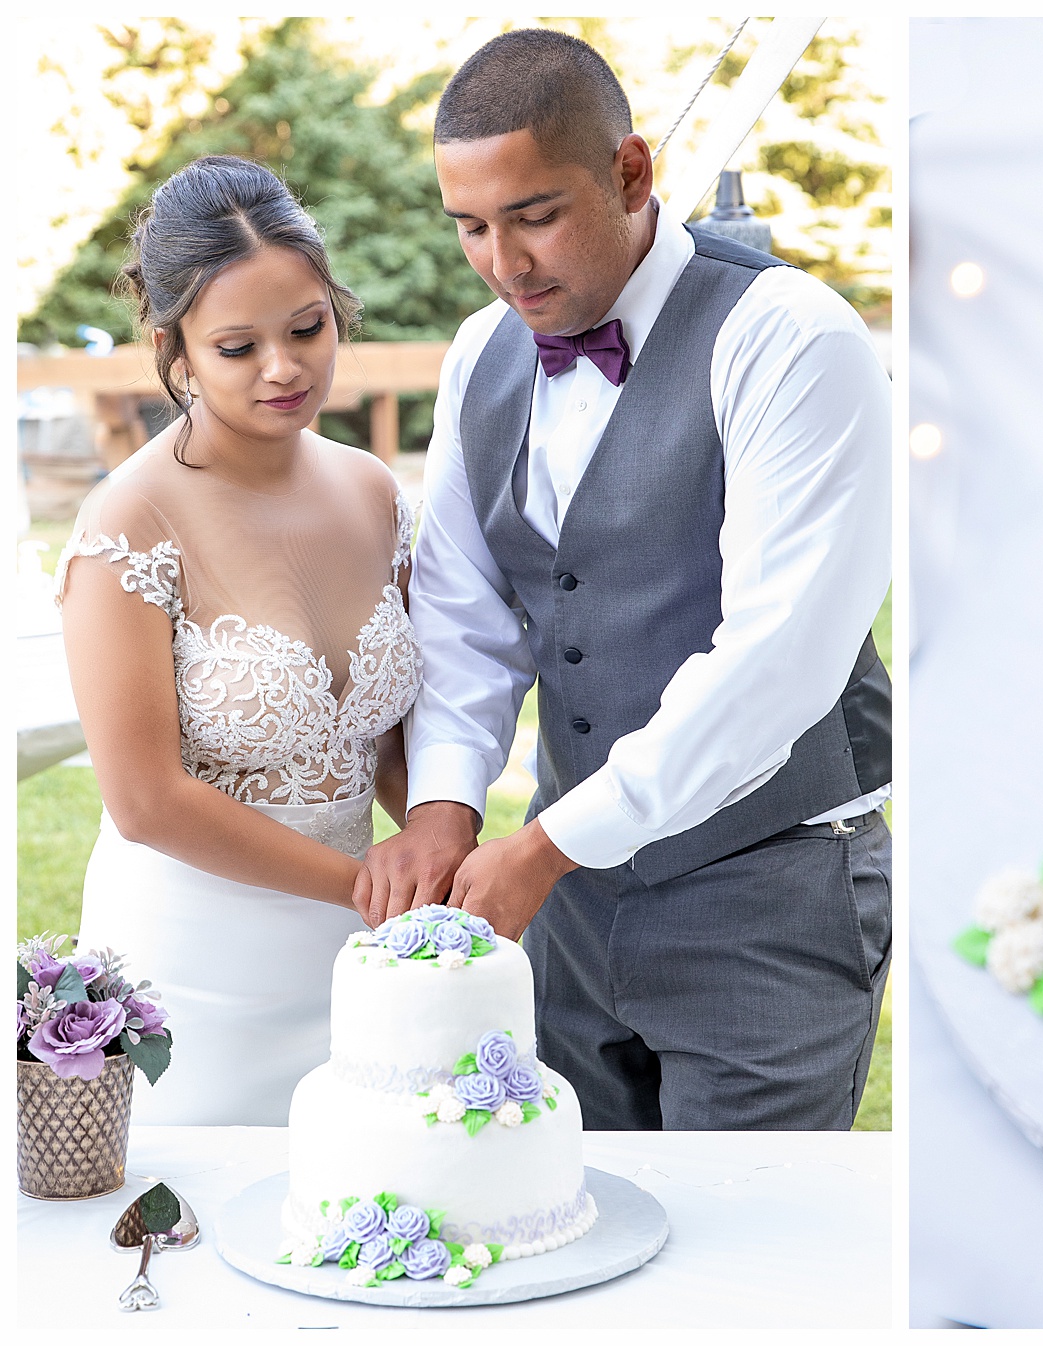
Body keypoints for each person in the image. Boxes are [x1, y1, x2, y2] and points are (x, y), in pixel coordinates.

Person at [361, 29, 892, 1130]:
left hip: (770, 886)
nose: (505, 263)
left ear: (632, 172)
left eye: (536, 215)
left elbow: (777, 658)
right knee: (566, 1213)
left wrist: (545, 845)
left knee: (751, 1255)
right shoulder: (480, 353)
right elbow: (465, 609)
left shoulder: (792, 341)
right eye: (471, 227)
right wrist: (448, 807)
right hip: (566, 899)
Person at [57, 156, 421, 1125]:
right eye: (237, 346)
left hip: (359, 968)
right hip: (195, 977)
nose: (284, 367)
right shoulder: (129, 522)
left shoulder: (374, 492)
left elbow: (385, 743)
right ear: (173, 346)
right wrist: (366, 885)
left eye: (307, 327)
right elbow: (145, 800)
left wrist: (431, 840)